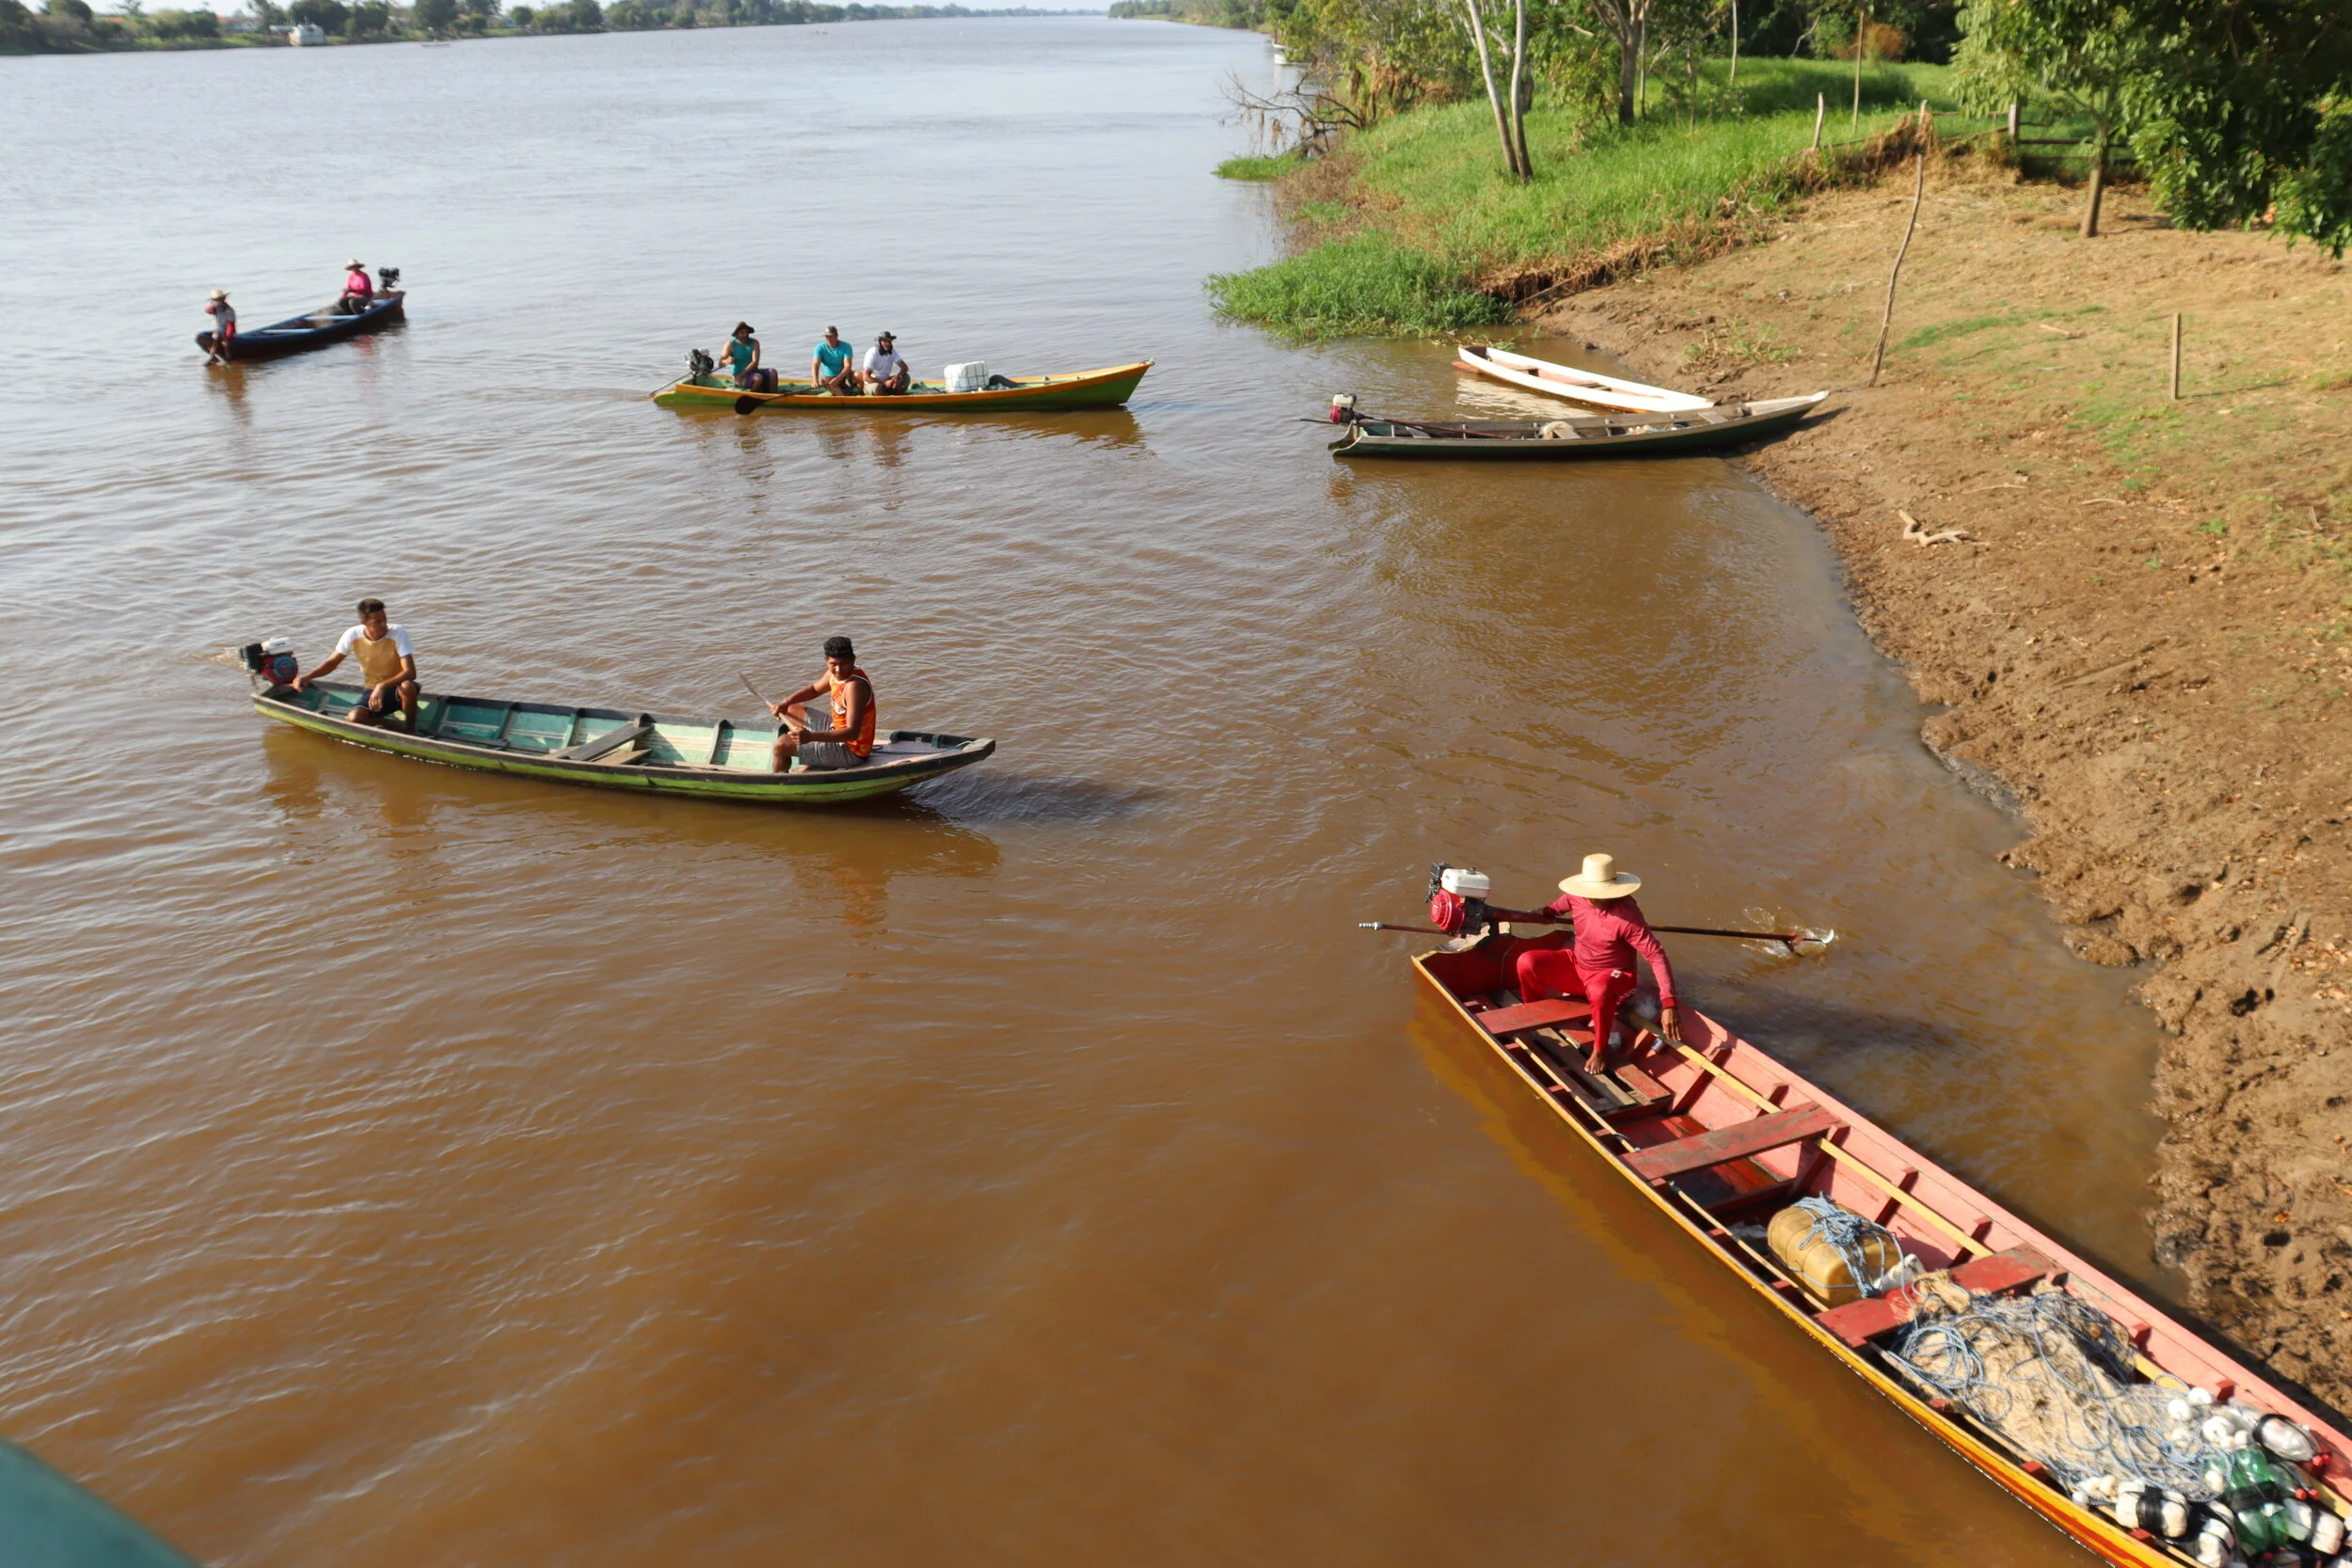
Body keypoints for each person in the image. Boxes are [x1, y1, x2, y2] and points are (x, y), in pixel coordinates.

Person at [1487, 853, 1682, 1073]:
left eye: (1602, 895)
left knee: (1601, 990)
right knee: (1527, 961)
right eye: (1592, 894)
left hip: (1614, 979)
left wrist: (1669, 1003)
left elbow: (1656, 955)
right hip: (1578, 967)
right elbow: (1550, 911)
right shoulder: (1575, 896)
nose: (1596, 899)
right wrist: (1517, 915)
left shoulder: (1628, 917)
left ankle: (1600, 1050)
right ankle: (1535, 1014)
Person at [294, 597, 420, 728]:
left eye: (384, 619)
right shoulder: (352, 635)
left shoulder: (398, 632)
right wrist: (307, 677)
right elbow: (331, 663)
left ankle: (410, 728)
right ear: (364, 622)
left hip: (399, 690)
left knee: (408, 686)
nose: (384, 625)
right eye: (377, 622)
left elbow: (410, 672)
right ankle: (396, 728)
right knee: (354, 718)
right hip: (372, 690)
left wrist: (381, 686)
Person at [768, 636, 875, 772]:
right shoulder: (833, 675)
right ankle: (813, 759)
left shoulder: (854, 687)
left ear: (853, 660)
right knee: (788, 710)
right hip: (835, 728)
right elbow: (813, 690)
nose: (839, 670)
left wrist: (811, 737)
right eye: (834, 664)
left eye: (844, 663)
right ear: (826, 661)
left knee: (780, 746)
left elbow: (852, 733)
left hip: (851, 751)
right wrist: (785, 702)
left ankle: (780, 786)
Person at [723, 322, 775, 393]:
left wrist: (743, 374)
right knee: (758, 378)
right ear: (737, 334)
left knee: (772, 372)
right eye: (742, 333)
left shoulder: (754, 342)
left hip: (750, 372)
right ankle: (752, 396)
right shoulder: (730, 344)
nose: (745, 335)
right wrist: (728, 360)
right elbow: (721, 361)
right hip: (738, 374)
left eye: (746, 332)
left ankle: (773, 394)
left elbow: (755, 362)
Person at [810, 325, 859, 395]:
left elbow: (847, 366)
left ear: (836, 336)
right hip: (829, 379)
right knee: (824, 381)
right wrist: (815, 380)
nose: (829, 339)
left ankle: (861, 392)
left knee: (858, 375)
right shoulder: (819, 348)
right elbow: (815, 364)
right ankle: (844, 398)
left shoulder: (846, 346)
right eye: (826, 337)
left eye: (831, 336)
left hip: (844, 376)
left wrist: (838, 379)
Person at [861, 331, 911, 396]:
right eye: (884, 341)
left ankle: (896, 396)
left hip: (886, 380)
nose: (887, 344)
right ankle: (885, 399)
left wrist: (898, 376)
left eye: (889, 341)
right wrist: (884, 383)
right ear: (879, 342)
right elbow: (866, 377)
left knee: (906, 377)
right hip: (872, 383)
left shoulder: (893, 352)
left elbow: (904, 367)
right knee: (877, 387)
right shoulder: (872, 352)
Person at [203, 289, 237, 364]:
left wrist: (228, 336)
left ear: (223, 299)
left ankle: (228, 359)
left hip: (226, 330)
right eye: (215, 300)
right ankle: (212, 357)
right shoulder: (214, 308)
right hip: (218, 329)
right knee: (216, 337)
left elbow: (231, 325)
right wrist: (213, 305)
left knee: (224, 342)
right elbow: (207, 310)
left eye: (218, 300)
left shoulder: (229, 310)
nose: (217, 302)